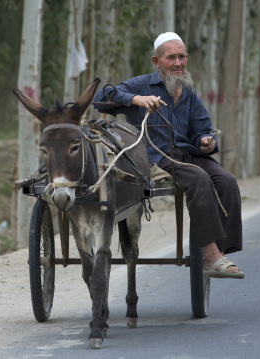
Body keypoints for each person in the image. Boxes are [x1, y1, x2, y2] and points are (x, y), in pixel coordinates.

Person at [94, 32, 244, 279]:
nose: (178, 63)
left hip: (187, 154)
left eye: (182, 57)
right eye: (171, 57)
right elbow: (101, 98)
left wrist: (207, 141)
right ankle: (212, 255)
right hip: (153, 157)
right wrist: (136, 100)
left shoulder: (188, 92)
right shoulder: (141, 85)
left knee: (226, 181)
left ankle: (220, 249)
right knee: (198, 179)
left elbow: (203, 129)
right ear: (156, 61)